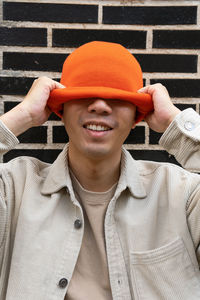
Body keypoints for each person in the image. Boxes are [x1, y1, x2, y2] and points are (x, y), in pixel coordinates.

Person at [0, 41, 200, 300]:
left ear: (137, 115)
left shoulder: (182, 194)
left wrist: (176, 123)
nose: (100, 106)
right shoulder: (13, 190)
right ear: (61, 108)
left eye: (118, 99)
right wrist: (23, 115)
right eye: (83, 96)